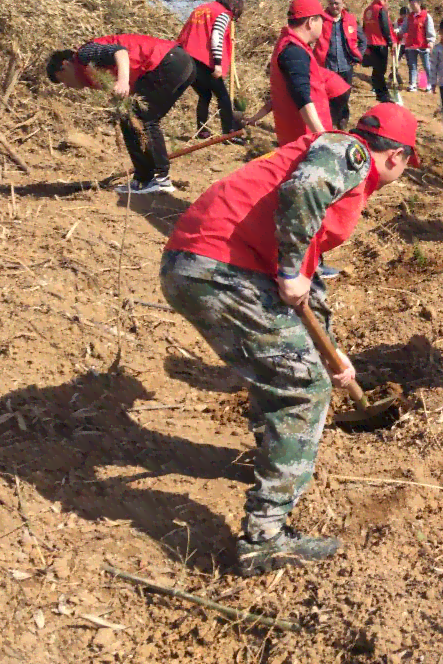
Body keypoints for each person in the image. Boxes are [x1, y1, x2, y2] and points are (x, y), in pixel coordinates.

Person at [159, 104, 419, 575]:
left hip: (196, 265)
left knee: (284, 369)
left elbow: (308, 286)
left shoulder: (329, 161)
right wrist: (287, 268)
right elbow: (302, 197)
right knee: (302, 389)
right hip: (222, 269)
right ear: (398, 157)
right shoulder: (348, 153)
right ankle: (265, 536)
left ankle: (274, 459)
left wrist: (335, 355)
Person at [46, 34, 195, 194]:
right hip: (179, 63)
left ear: (65, 65)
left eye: (63, 80)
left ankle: (158, 179)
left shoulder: (83, 55)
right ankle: (143, 179)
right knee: (131, 118)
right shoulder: (90, 73)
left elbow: (120, 52)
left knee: (143, 118)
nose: (67, 86)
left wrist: (123, 81)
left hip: (168, 61)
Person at [244, 0, 350, 149]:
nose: (323, 25)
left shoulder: (291, 47)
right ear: (311, 22)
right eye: (321, 20)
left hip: (303, 138)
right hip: (306, 140)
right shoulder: (294, 52)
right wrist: (323, 139)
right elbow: (302, 98)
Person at [177, 0, 243, 139]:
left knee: (205, 94)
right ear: (233, 6)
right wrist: (218, 64)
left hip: (185, 56)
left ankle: (202, 131)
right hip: (203, 59)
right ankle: (229, 133)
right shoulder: (222, 13)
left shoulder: (201, 9)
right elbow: (217, 37)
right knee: (223, 97)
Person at [315, 0, 367, 131]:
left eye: (337, 3)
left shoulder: (350, 20)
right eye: (331, 3)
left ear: (343, 2)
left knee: (345, 97)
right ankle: (328, 124)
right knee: (328, 98)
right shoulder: (320, 20)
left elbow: (363, 40)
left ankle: (342, 122)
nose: (334, 7)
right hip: (327, 67)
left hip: (346, 66)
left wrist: (357, 57)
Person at [361, 0, 393, 103]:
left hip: (370, 43)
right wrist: (390, 41)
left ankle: (377, 89)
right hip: (380, 43)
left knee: (376, 69)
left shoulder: (367, 10)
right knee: (381, 69)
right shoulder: (381, 10)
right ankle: (382, 93)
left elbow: (364, 27)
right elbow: (385, 27)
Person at [401, 0, 433, 92]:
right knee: (412, 66)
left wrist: (430, 41)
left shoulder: (426, 16)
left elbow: (430, 30)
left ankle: (430, 84)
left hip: (422, 45)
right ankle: (412, 84)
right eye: (410, 4)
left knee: (426, 65)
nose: (412, 6)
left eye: (413, 4)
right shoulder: (409, 17)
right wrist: (398, 31)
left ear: (419, 3)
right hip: (411, 45)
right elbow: (404, 28)